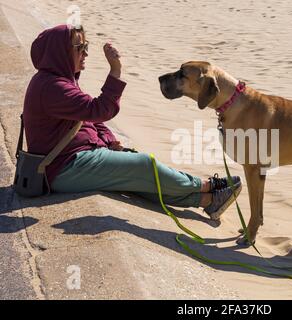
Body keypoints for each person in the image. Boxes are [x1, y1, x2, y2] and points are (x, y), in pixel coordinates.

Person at [22, 24, 241, 219]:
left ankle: (207, 201)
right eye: (79, 48)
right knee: (144, 165)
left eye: (86, 45)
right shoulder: (51, 88)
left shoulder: (60, 80)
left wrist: (108, 140)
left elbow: (88, 118)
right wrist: (116, 70)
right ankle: (208, 186)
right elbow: (99, 110)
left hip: (75, 157)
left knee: (138, 181)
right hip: (63, 167)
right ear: (60, 52)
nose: (85, 53)